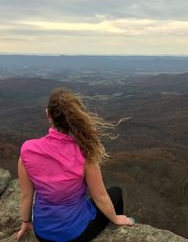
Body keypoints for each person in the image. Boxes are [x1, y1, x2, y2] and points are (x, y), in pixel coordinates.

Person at [13, 88, 134, 242]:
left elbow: (26, 195)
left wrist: (26, 222)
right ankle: (114, 230)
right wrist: (116, 219)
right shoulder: (84, 153)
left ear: (48, 114)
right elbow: (100, 196)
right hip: (74, 235)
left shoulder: (28, 151)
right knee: (115, 192)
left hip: (42, 233)